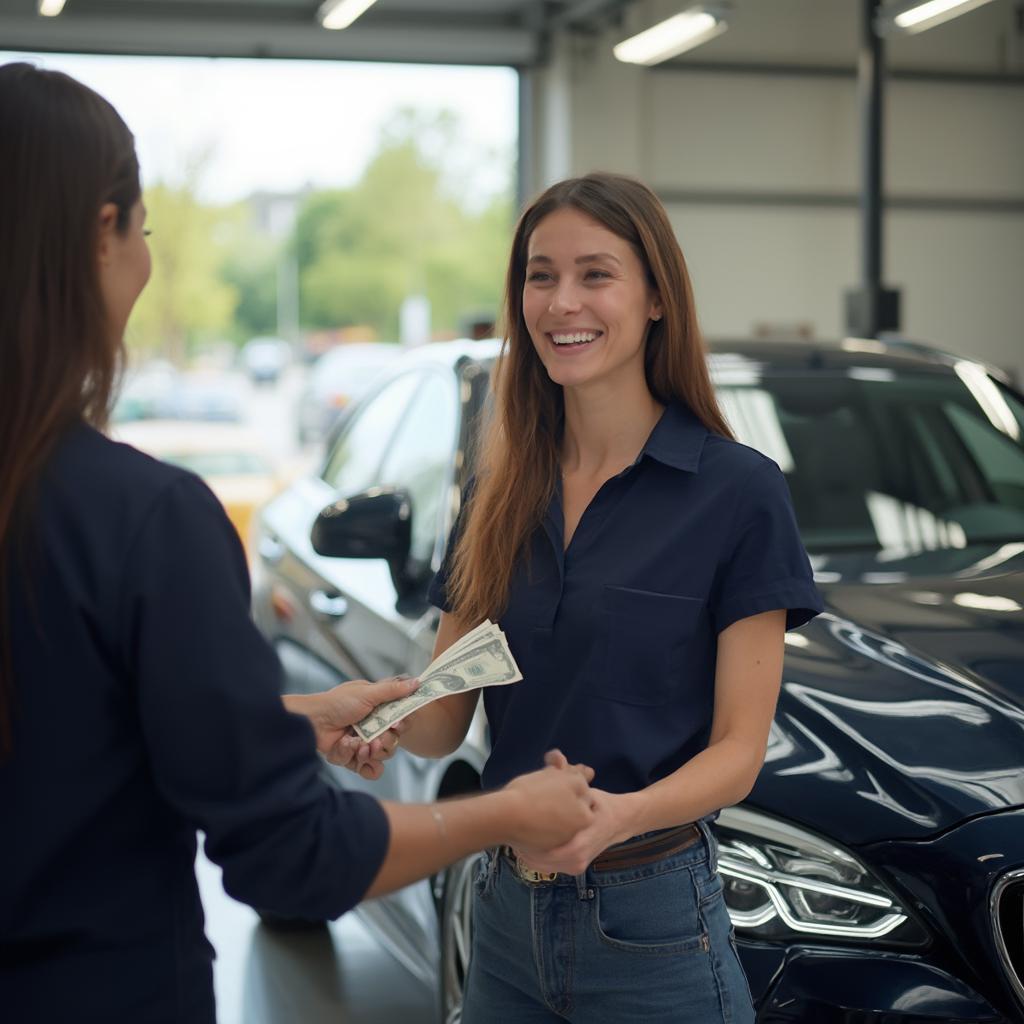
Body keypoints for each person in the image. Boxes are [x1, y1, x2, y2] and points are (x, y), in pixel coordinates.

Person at [0, 62, 596, 1024]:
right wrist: (505, 815)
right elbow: (296, 856)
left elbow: (70, 733)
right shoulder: (146, 519)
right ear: (101, 234)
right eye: (145, 231)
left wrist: (284, 719)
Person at [353, 172, 824, 1022]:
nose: (562, 301)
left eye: (595, 274)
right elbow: (440, 724)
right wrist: (372, 722)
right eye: (541, 275)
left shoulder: (737, 494)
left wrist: (617, 816)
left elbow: (737, 751)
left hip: (653, 922)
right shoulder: (497, 493)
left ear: (653, 299)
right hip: (501, 916)